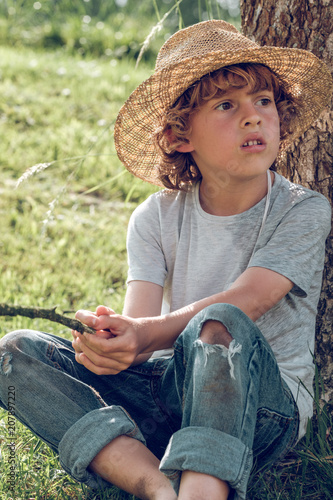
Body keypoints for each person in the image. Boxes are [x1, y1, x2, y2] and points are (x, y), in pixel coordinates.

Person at [0, 20, 332, 500]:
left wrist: (144, 336)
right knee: (15, 351)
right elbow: (143, 324)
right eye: (226, 105)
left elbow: (251, 300)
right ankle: (156, 486)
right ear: (180, 136)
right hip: (168, 391)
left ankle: (200, 491)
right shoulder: (155, 216)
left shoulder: (303, 209)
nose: (253, 117)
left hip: (258, 407)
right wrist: (115, 340)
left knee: (222, 322)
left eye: (264, 102)